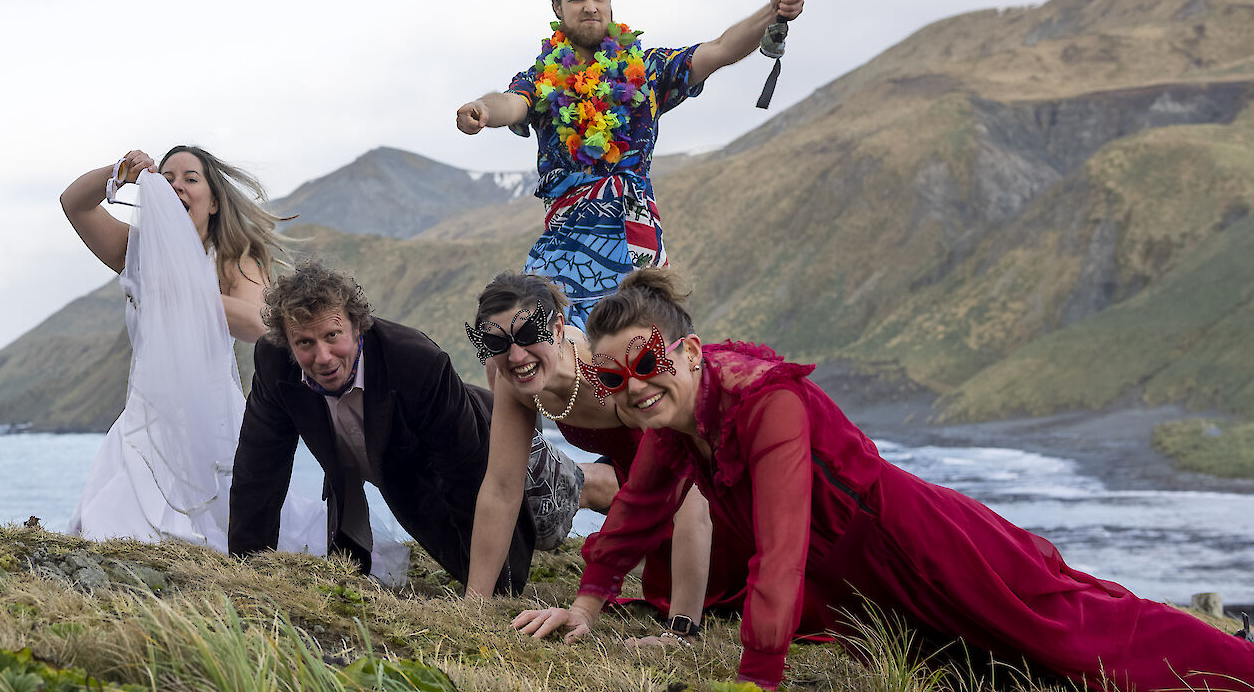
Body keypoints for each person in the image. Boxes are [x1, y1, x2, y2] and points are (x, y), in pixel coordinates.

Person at [510, 269, 1254, 691]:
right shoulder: (681, 418)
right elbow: (644, 503)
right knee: (994, 670)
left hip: (924, 544)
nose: (634, 385)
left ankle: (1246, 669)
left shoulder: (766, 404)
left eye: (648, 361)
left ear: (691, 351)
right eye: (614, 374)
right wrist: (586, 603)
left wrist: (755, 679)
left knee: (1070, 630)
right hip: (866, 579)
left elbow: (781, 550)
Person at [455, 0, 806, 328]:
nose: (590, 7)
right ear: (557, 7)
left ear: (609, 1)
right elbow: (510, 103)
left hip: (638, 245)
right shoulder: (542, 80)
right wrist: (482, 110)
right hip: (564, 249)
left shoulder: (648, 70)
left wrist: (771, 12)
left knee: (648, 357)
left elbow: (718, 50)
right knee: (541, 344)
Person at [230, 260, 595, 594]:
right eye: (305, 343)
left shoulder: (415, 360)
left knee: (562, 499)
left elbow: (468, 477)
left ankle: (615, 483)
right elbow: (258, 468)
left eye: (332, 336)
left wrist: (498, 592)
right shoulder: (275, 364)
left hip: (486, 439)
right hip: (417, 475)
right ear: (288, 343)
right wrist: (245, 570)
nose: (322, 357)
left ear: (357, 327)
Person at [464, 272, 750, 643]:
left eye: (529, 336)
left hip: (713, 505)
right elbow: (501, 489)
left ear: (558, 327)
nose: (516, 356)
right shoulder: (515, 380)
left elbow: (690, 500)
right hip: (643, 504)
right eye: (497, 343)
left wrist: (682, 630)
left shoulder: (611, 374)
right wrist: (474, 607)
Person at [57, 146, 291, 549]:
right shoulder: (137, 251)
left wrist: (186, 288)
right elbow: (74, 204)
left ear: (214, 201)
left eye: (190, 179)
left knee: (225, 527)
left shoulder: (235, 258)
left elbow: (258, 323)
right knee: (114, 528)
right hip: (148, 414)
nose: (177, 186)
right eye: (167, 179)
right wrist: (120, 171)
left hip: (214, 414)